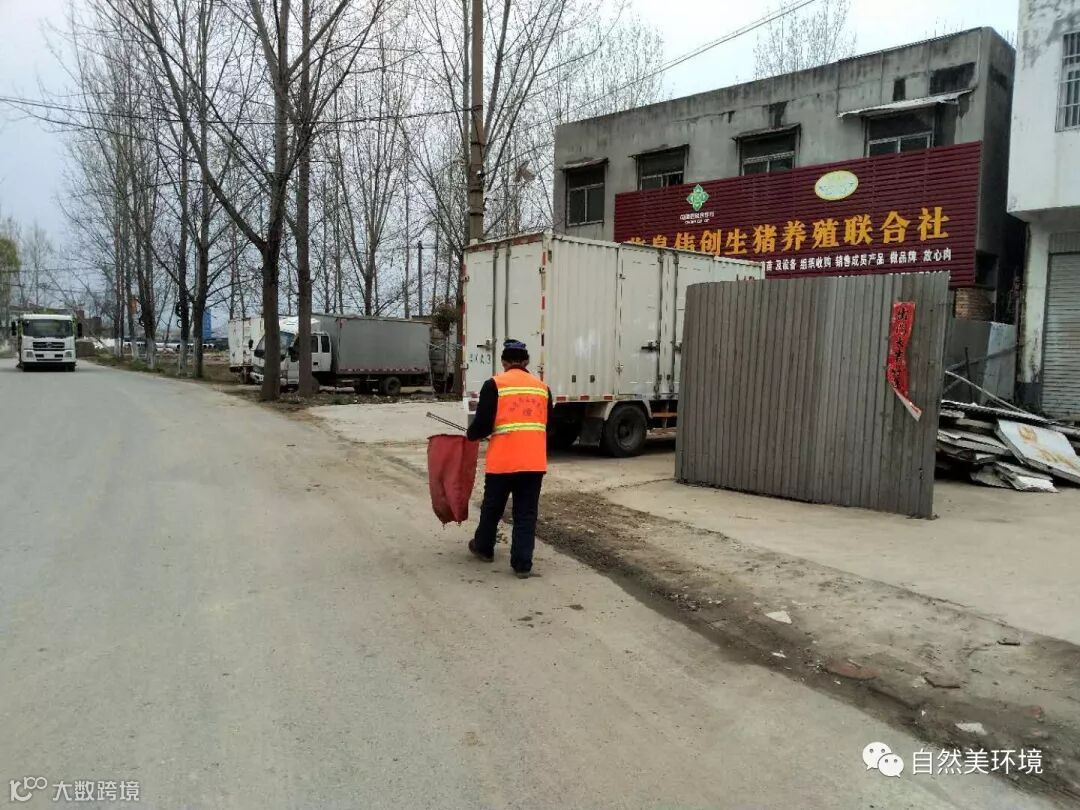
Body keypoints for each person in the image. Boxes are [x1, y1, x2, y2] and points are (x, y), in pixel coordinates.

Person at [466, 339, 553, 578]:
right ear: (526, 362)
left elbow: (483, 424)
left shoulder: (494, 384)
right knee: (526, 513)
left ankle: (484, 548)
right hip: (533, 462)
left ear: (504, 362)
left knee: (492, 507)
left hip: (502, 461)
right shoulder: (542, 388)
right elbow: (548, 424)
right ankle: (522, 565)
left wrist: (472, 435)